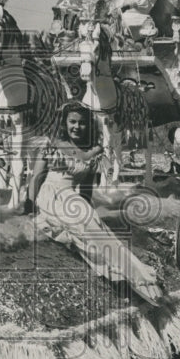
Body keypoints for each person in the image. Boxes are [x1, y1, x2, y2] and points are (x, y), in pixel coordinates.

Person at [27, 102, 163, 305]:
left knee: (97, 227)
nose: (76, 127)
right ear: (64, 123)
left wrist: (89, 209)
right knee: (85, 225)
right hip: (49, 195)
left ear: (88, 125)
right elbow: (36, 177)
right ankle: (120, 274)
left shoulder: (95, 151)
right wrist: (29, 207)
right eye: (72, 122)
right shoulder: (51, 143)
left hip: (72, 198)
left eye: (81, 123)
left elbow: (88, 187)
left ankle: (137, 278)